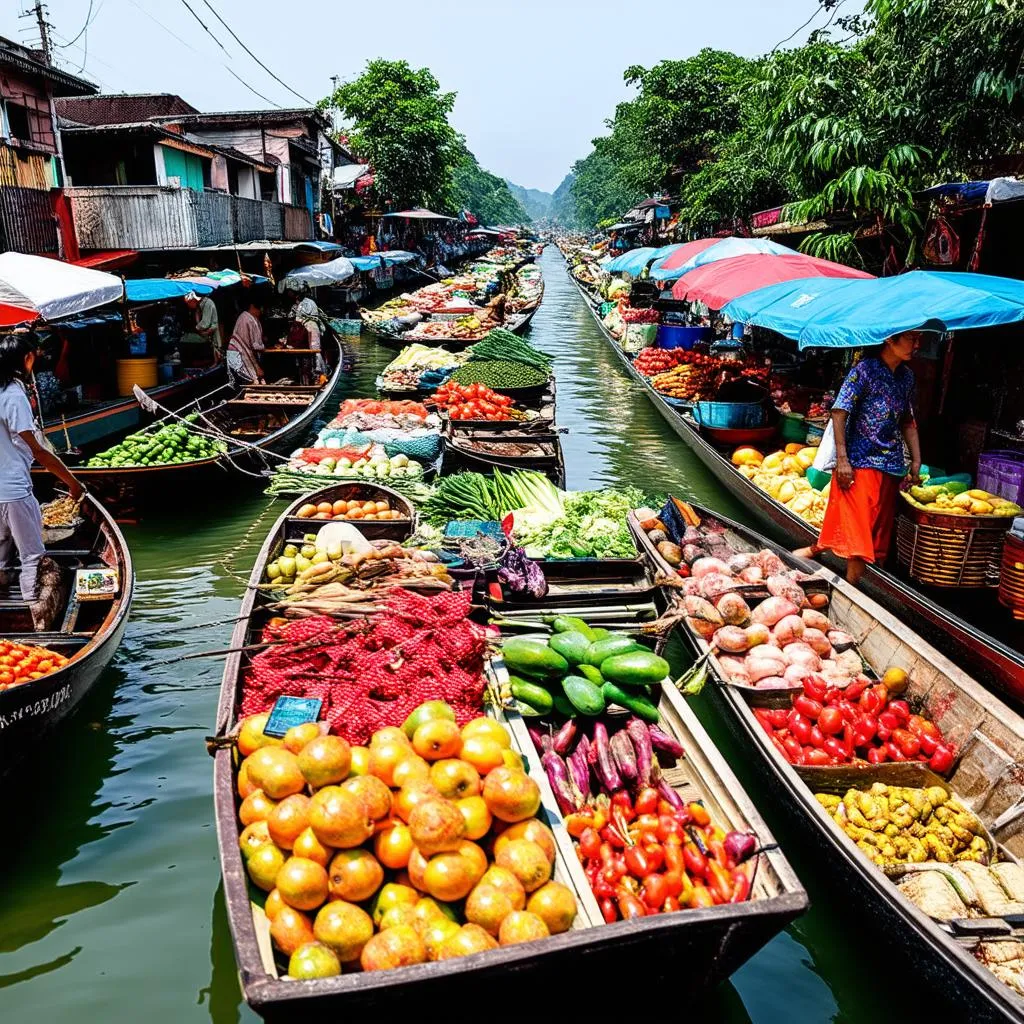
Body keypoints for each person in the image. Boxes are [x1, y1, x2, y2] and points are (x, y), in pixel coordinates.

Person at [796, 331, 923, 584]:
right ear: (890, 339)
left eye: (920, 339)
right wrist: (843, 460)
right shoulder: (864, 370)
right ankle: (851, 589)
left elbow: (907, 420)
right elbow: (839, 411)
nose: (917, 345)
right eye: (912, 338)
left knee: (878, 529)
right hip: (860, 460)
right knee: (859, 531)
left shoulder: (907, 377)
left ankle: (820, 555)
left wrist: (916, 460)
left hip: (891, 463)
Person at [0, 334, 85, 606]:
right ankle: (33, 610)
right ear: (26, 359)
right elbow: (37, 449)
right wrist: (72, 483)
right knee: (32, 556)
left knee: (1, 553)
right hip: (13, 489)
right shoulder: (13, 394)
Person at [226, 300, 265, 384]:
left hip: (243, 354)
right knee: (251, 383)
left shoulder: (252, 319)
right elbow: (249, 346)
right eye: (259, 309)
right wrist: (257, 368)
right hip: (239, 355)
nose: (261, 312)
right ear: (252, 307)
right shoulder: (246, 319)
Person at [291, 297, 328, 383]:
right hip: (306, 352)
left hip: (312, 352)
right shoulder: (306, 322)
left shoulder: (311, 324)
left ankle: (319, 376)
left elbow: (315, 350)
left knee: (315, 353)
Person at [184, 291, 223, 362]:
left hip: (214, 329)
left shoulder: (207, 303)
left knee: (217, 349)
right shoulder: (200, 306)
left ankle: (217, 362)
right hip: (209, 331)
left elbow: (205, 323)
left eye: (188, 303)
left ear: (193, 300)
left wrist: (196, 328)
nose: (188, 306)